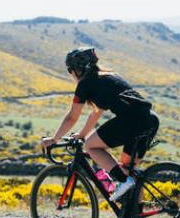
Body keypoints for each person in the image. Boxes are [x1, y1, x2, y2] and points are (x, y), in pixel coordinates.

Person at [41, 47, 159, 202]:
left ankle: (122, 181)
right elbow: (96, 112)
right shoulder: (109, 76)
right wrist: (82, 134)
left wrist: (54, 139)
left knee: (90, 146)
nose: (71, 74)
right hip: (149, 119)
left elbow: (72, 117)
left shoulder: (85, 84)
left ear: (76, 69)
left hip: (132, 121)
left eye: (70, 70)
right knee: (128, 170)